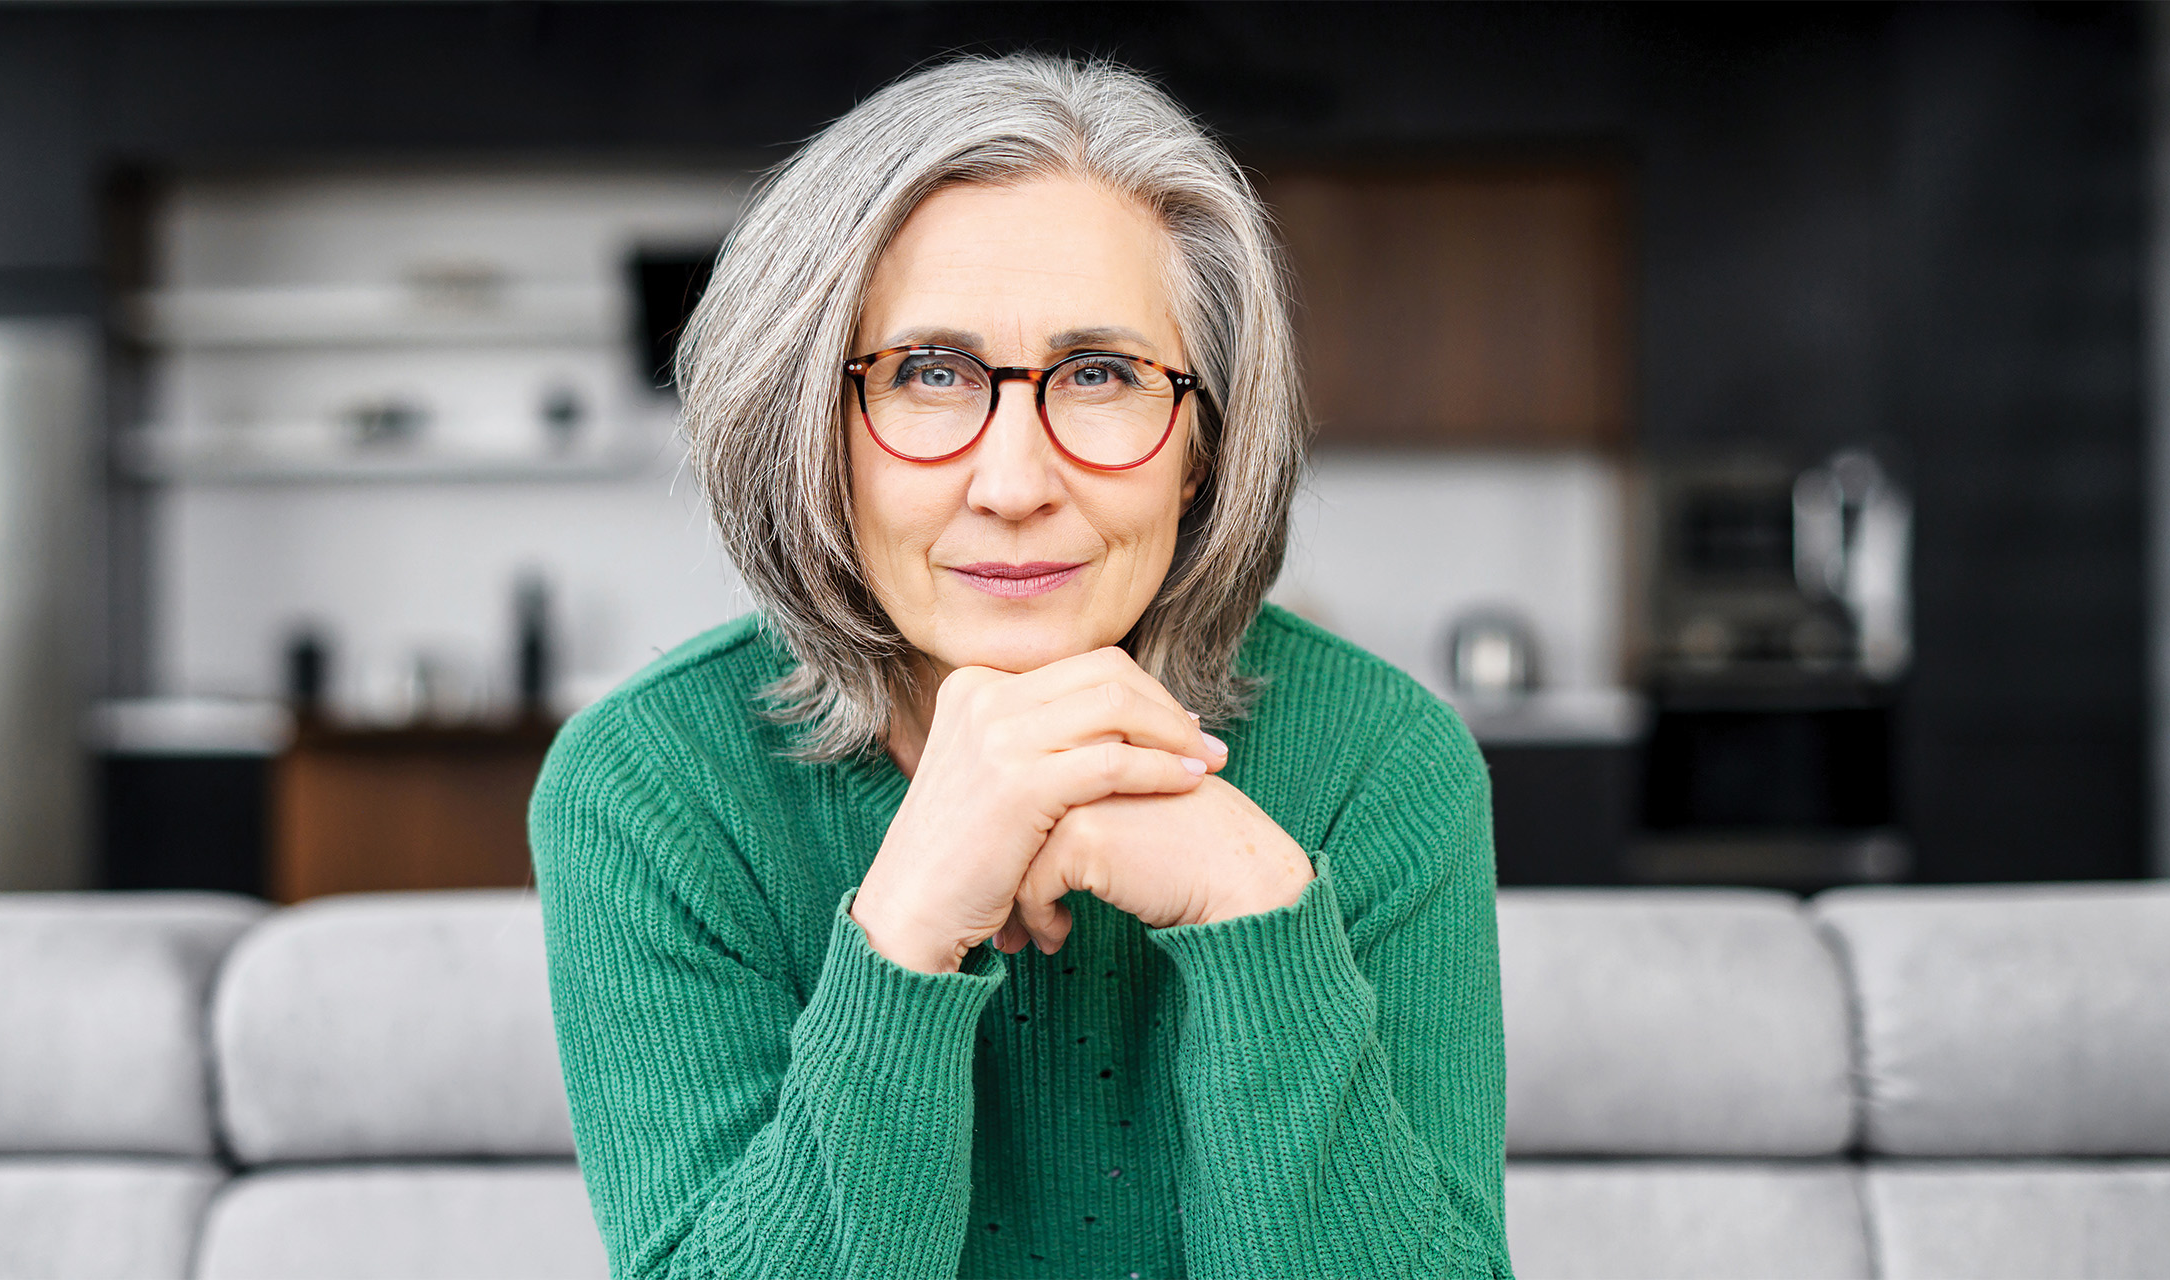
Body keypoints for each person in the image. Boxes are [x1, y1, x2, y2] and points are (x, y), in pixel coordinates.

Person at [531, 53, 1510, 1280]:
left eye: (1099, 376)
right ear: (812, 431)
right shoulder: (651, 789)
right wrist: (907, 928)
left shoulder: (1380, 763)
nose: (1011, 484)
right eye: (927, 375)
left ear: (1200, 446)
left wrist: (1258, 919)